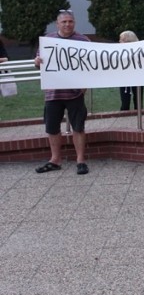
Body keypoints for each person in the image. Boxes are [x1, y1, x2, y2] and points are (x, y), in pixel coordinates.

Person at [34, 10, 91, 175]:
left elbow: (92, 66)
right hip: (53, 94)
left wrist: (84, 88)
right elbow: (39, 62)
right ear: (57, 24)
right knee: (52, 128)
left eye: (70, 21)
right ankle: (55, 160)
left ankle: (80, 160)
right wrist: (37, 61)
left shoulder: (83, 40)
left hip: (75, 94)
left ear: (74, 23)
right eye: (64, 22)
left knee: (78, 127)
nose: (67, 24)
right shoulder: (48, 41)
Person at [118, 30, 144, 111]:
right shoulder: (118, 52)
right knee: (125, 102)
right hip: (123, 78)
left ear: (128, 41)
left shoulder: (139, 51)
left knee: (138, 102)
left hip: (138, 77)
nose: (119, 41)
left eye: (121, 39)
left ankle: (139, 116)